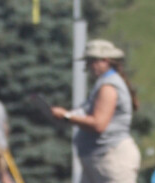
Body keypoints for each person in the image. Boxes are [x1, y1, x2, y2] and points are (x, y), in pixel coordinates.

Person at [51, 39, 142, 183]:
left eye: (91, 61)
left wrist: (67, 116)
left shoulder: (108, 86)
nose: (88, 66)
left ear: (105, 61)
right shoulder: (104, 84)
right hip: (101, 160)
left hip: (111, 159)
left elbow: (99, 124)